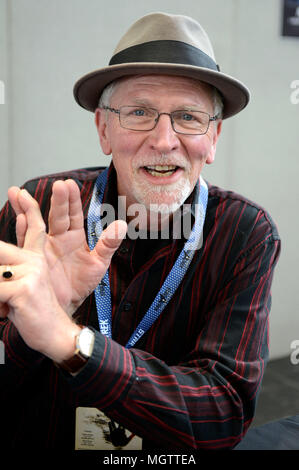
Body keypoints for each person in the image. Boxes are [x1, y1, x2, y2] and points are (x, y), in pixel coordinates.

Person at [0, 12, 280, 450]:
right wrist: (31, 326)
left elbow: (224, 412)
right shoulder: (38, 208)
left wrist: (72, 341)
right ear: (103, 129)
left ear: (214, 137)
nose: (165, 140)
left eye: (188, 116)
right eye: (138, 112)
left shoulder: (246, 233)